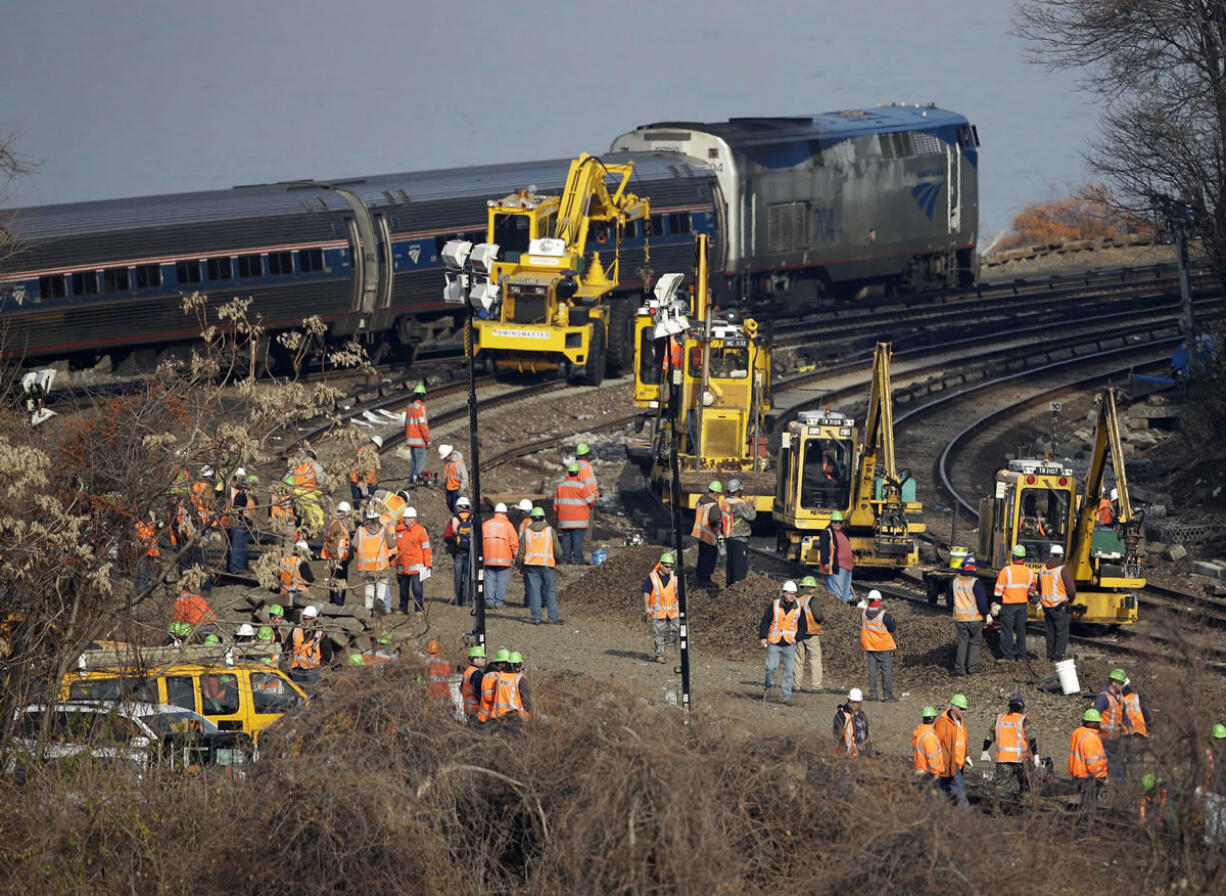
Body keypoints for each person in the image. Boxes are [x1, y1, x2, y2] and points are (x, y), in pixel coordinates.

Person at [758, 580, 807, 706]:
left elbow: (803, 626)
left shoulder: (799, 608)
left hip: (790, 643)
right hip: (774, 642)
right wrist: (763, 637)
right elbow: (765, 621)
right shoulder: (774, 605)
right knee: (770, 668)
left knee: (789, 672)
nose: (792, 596)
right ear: (784, 593)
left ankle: (786, 697)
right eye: (790, 593)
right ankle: (768, 688)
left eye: (794, 594)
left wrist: (797, 638)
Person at [982, 695, 1035, 812]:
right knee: (1025, 785)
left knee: (1001, 786)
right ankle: (1023, 807)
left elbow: (989, 737)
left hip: (1003, 759)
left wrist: (985, 750)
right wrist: (1035, 754)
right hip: (1021, 760)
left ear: (1010, 707)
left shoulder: (1000, 719)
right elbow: (1031, 739)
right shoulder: (1024, 720)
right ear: (1022, 708)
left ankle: (996, 809)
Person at [518, 507, 563, 624]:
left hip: (531, 566)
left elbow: (521, 552)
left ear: (532, 518)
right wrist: (558, 560)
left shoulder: (527, 532)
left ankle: (536, 617)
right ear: (543, 518)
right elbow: (558, 550)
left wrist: (520, 566)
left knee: (534, 591)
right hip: (547, 565)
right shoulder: (550, 531)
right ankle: (552, 617)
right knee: (550, 591)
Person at [1069, 708, 1109, 837]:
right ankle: (1083, 834)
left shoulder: (1077, 733)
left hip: (1077, 775)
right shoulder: (1091, 738)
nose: (1099, 724)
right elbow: (1093, 762)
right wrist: (1102, 777)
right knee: (1090, 807)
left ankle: (1079, 827)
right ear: (1091, 723)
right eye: (1097, 722)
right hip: (1089, 777)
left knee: (1084, 804)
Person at [950, 555, 991, 676]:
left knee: (962, 643)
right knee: (975, 642)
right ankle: (972, 668)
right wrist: (986, 613)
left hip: (960, 619)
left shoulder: (955, 581)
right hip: (974, 619)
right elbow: (982, 602)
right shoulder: (975, 583)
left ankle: (959, 669)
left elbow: (951, 600)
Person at [994, 544, 1036, 662]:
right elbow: (1032, 590)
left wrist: (996, 603)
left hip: (1009, 605)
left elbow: (998, 592)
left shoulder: (1006, 571)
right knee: (1021, 630)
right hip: (1022, 605)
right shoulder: (1030, 572)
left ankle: (1008, 656)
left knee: (1007, 630)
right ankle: (1021, 655)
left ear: (1013, 557)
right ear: (1023, 558)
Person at [354, 506, 396, 614]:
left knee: (369, 587)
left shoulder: (360, 531)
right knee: (381, 583)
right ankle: (380, 600)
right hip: (381, 566)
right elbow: (392, 544)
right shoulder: (383, 530)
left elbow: (354, 545)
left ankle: (369, 609)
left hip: (365, 567)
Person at [1038, 543, 1075, 661]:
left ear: (1050, 555)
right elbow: (1071, 589)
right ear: (1061, 556)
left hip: (1046, 606)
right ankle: (1057, 656)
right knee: (1061, 632)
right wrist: (1071, 599)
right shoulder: (1062, 569)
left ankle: (1050, 655)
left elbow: (1039, 587)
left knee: (1050, 632)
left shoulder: (1042, 569)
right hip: (1060, 606)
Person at [1093, 668, 1131, 781]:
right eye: (1121, 683)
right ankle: (1119, 786)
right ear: (1114, 683)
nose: (1123, 686)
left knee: (1112, 763)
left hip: (1113, 738)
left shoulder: (1119, 698)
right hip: (1104, 738)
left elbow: (1123, 714)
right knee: (1114, 764)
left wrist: (1128, 725)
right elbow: (1094, 715)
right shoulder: (1103, 697)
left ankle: (1109, 784)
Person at [554, 462, 596, 564]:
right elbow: (591, 500)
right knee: (577, 540)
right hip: (579, 519)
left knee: (566, 539)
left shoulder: (560, 487)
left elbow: (556, 504)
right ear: (578, 473)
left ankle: (566, 559)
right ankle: (578, 560)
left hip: (564, 519)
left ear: (568, 473)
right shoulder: (582, 486)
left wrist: (558, 516)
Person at [642, 551, 680, 663]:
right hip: (658, 612)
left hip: (673, 612)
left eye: (670, 567)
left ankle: (666, 648)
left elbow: (677, 591)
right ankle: (659, 655)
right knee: (658, 634)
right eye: (667, 566)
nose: (669, 569)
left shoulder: (674, 577)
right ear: (661, 565)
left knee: (677, 631)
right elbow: (646, 592)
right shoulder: (652, 578)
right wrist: (647, 607)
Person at [394, 506, 432, 614]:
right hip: (402, 566)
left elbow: (426, 548)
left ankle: (419, 609)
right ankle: (402, 608)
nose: (405, 520)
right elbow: (394, 548)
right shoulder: (398, 530)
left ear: (413, 519)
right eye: (404, 518)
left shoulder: (420, 530)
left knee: (417, 590)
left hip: (416, 567)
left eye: (407, 518)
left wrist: (428, 563)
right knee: (403, 590)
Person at [860, 590, 897, 701]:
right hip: (884, 646)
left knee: (872, 671)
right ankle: (887, 695)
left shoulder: (863, 614)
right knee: (886, 671)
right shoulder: (883, 615)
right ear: (879, 601)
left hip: (870, 646)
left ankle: (873, 694)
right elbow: (893, 628)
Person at [934, 694, 971, 807]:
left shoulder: (960, 721)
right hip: (948, 761)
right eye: (961, 708)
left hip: (959, 761)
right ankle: (964, 813)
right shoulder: (943, 722)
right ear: (954, 707)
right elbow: (936, 742)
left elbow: (962, 740)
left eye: (965, 709)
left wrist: (966, 756)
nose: (964, 711)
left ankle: (940, 810)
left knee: (943, 787)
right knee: (959, 789)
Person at [721, 478, 757, 585]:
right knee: (739, 570)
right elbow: (751, 516)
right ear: (737, 491)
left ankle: (729, 588)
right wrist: (752, 506)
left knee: (731, 568)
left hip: (729, 537)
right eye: (740, 490)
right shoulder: (739, 504)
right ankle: (737, 589)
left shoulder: (725, 503)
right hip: (739, 539)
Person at [482, 502, 518, 609]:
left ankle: (489, 601)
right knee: (502, 580)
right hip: (504, 559)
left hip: (488, 558)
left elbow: (478, 541)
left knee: (489, 579)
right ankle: (499, 602)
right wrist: (517, 558)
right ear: (505, 513)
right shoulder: (508, 526)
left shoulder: (486, 524)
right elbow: (514, 544)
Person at [793, 575, 824, 692]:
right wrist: (821, 621)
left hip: (798, 634)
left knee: (798, 660)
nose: (815, 590)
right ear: (810, 588)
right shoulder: (811, 599)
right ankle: (816, 686)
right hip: (811, 632)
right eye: (813, 587)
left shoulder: (796, 599)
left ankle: (796, 685)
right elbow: (819, 615)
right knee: (815, 659)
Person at [288, 605, 332, 686]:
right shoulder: (296, 629)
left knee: (310, 693)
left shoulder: (320, 633)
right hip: (296, 669)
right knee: (297, 695)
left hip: (313, 671)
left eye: (308, 619)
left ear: (314, 619)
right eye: (304, 619)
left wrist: (322, 665)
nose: (306, 621)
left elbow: (327, 652)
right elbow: (287, 646)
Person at [691, 481, 724, 590]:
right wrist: (719, 535)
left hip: (700, 534)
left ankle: (700, 578)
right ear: (716, 493)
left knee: (702, 557)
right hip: (709, 536)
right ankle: (706, 579)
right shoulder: (713, 505)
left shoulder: (700, 500)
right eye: (719, 494)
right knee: (709, 559)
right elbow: (714, 522)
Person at [443, 496, 474, 606]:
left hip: (458, 552)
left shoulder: (454, 519)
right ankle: (467, 600)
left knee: (457, 576)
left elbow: (447, 536)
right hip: (470, 553)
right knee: (468, 576)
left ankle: (458, 600)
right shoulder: (473, 517)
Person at [817, 511, 854, 603]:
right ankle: (836, 614)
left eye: (840, 522)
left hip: (847, 568)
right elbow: (824, 548)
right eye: (835, 522)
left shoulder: (843, 533)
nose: (838, 524)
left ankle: (843, 612)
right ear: (831, 522)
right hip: (837, 567)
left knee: (845, 596)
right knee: (836, 595)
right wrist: (825, 562)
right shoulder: (827, 533)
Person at [322, 501, 353, 606]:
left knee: (340, 580)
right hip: (337, 559)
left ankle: (338, 601)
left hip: (342, 558)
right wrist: (335, 556)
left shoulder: (342, 524)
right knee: (337, 580)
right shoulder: (337, 524)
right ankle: (336, 601)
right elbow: (331, 542)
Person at [833, 688, 873, 757]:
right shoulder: (841, 715)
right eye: (853, 702)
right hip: (847, 754)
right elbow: (838, 736)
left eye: (857, 702)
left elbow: (868, 736)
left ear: (861, 702)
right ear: (848, 701)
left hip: (862, 753)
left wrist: (869, 751)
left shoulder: (862, 716)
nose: (854, 704)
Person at [912, 706, 944, 792]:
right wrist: (936, 773)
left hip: (921, 770)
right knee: (934, 798)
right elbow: (932, 758)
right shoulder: (930, 737)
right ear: (934, 719)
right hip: (930, 774)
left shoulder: (919, 733)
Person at [404, 384, 431, 485]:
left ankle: (412, 477)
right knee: (420, 461)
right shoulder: (420, 407)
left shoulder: (409, 407)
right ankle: (417, 479)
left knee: (414, 461)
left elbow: (406, 423)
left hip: (410, 439)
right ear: (423, 395)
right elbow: (422, 425)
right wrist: (427, 439)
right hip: (419, 439)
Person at [279, 539, 315, 607]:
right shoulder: (302, 562)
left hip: (284, 594)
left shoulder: (283, 560)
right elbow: (310, 580)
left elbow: (279, 575)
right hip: (299, 596)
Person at [349, 435, 382, 503]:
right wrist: (364, 486)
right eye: (377, 447)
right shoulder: (364, 452)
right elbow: (362, 469)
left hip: (363, 482)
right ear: (374, 445)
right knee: (359, 504)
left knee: (363, 504)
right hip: (358, 482)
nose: (376, 449)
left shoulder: (367, 452)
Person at [460, 646, 488, 724]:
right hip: (476, 710)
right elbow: (480, 693)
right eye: (482, 658)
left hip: (468, 709)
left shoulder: (467, 672)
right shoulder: (476, 674)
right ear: (475, 659)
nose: (484, 660)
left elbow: (461, 688)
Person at [439, 444, 468, 514]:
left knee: (456, 508)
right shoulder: (447, 462)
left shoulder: (459, 463)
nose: (444, 459)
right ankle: (456, 517)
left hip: (457, 488)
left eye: (445, 457)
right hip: (449, 487)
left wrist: (461, 489)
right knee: (449, 503)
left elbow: (465, 477)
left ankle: (458, 519)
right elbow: (447, 474)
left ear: (449, 455)